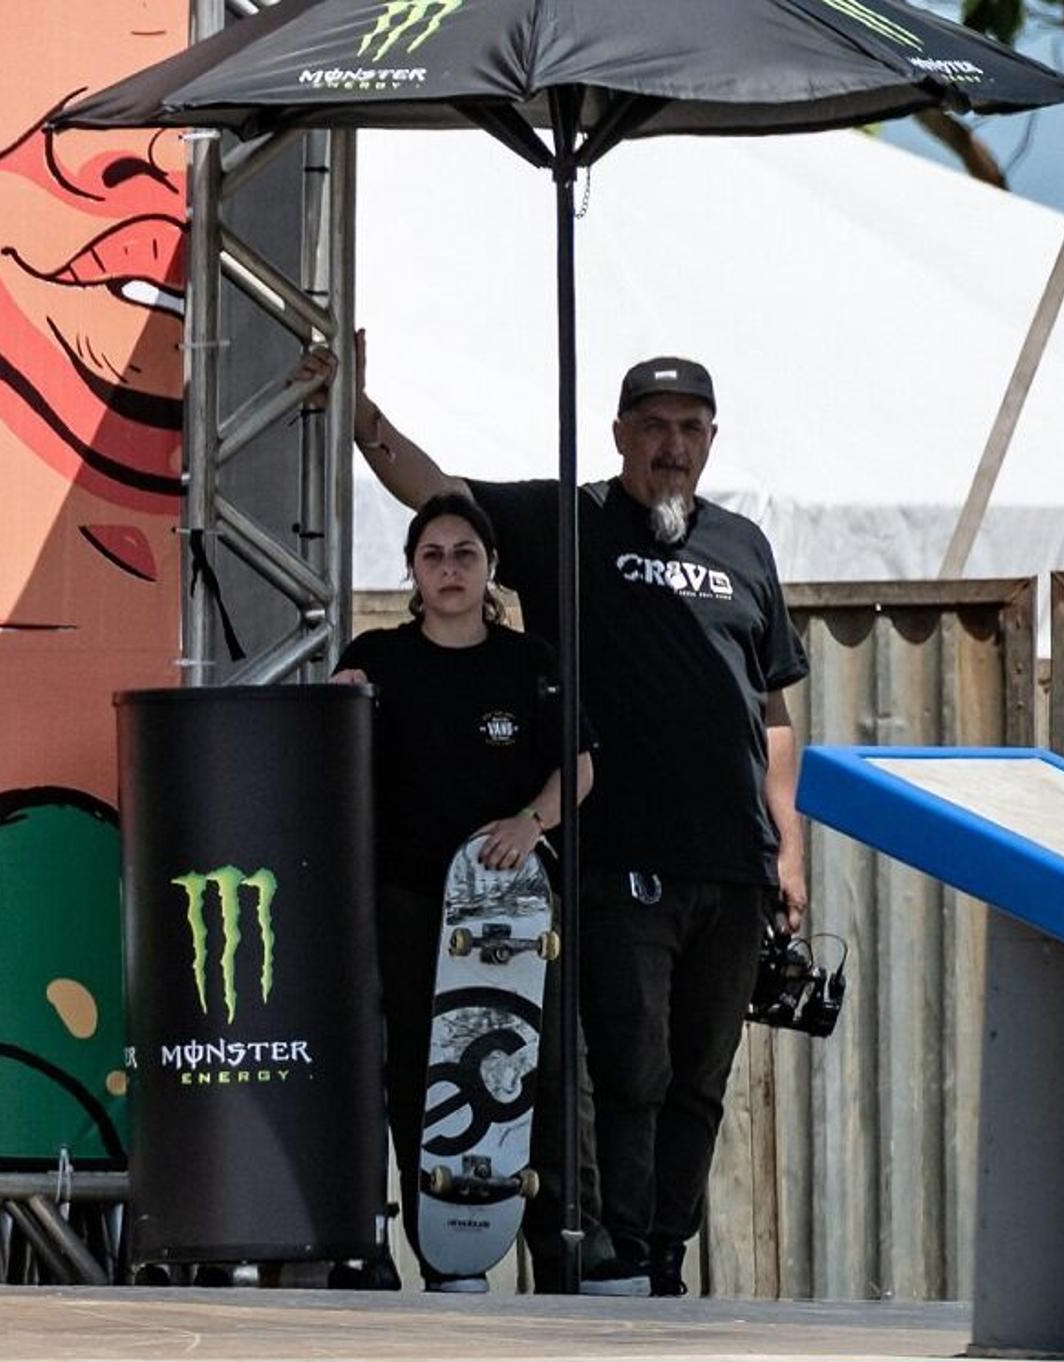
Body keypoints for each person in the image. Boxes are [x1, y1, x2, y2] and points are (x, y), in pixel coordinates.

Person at [343, 347, 809, 1298]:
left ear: (711, 439)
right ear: (619, 436)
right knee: (624, 1072)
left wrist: (790, 850)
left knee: (699, 1082)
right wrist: (361, 418)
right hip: (618, 858)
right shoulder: (574, 521)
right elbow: (442, 497)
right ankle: (619, 1254)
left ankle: (664, 1258)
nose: (671, 446)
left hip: (735, 863)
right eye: (653, 427)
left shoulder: (747, 547)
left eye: (689, 428)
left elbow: (777, 711)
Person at [335, 492, 593, 1292]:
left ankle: (560, 1252)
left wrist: (529, 822)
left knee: (534, 1072)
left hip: (510, 914)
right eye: (433, 554)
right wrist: (337, 706)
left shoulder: (532, 663)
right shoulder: (377, 656)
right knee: (421, 1072)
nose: (449, 568)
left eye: (465, 554)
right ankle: (444, 1251)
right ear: (412, 569)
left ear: (490, 570)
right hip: (408, 901)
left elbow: (579, 766)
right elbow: (328, 761)